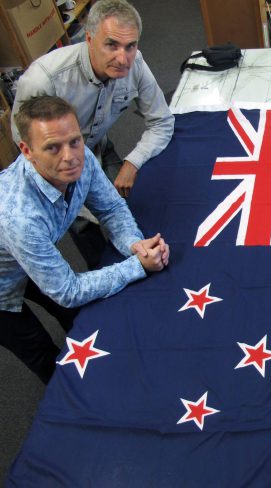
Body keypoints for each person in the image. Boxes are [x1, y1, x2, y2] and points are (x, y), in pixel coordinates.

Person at [0, 95, 170, 384]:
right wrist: (138, 266)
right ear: (27, 150)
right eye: (52, 147)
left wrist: (134, 244)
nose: (70, 156)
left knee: (79, 319)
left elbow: (111, 208)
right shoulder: (18, 217)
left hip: (26, 257)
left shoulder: (81, 158)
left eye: (74, 141)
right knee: (42, 352)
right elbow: (67, 289)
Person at [10, 0, 174, 199]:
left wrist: (132, 163)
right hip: (57, 167)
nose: (123, 59)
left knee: (134, 204)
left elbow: (162, 121)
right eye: (111, 45)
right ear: (89, 39)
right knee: (88, 225)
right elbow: (28, 146)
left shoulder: (135, 62)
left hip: (97, 146)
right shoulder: (44, 81)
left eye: (130, 46)